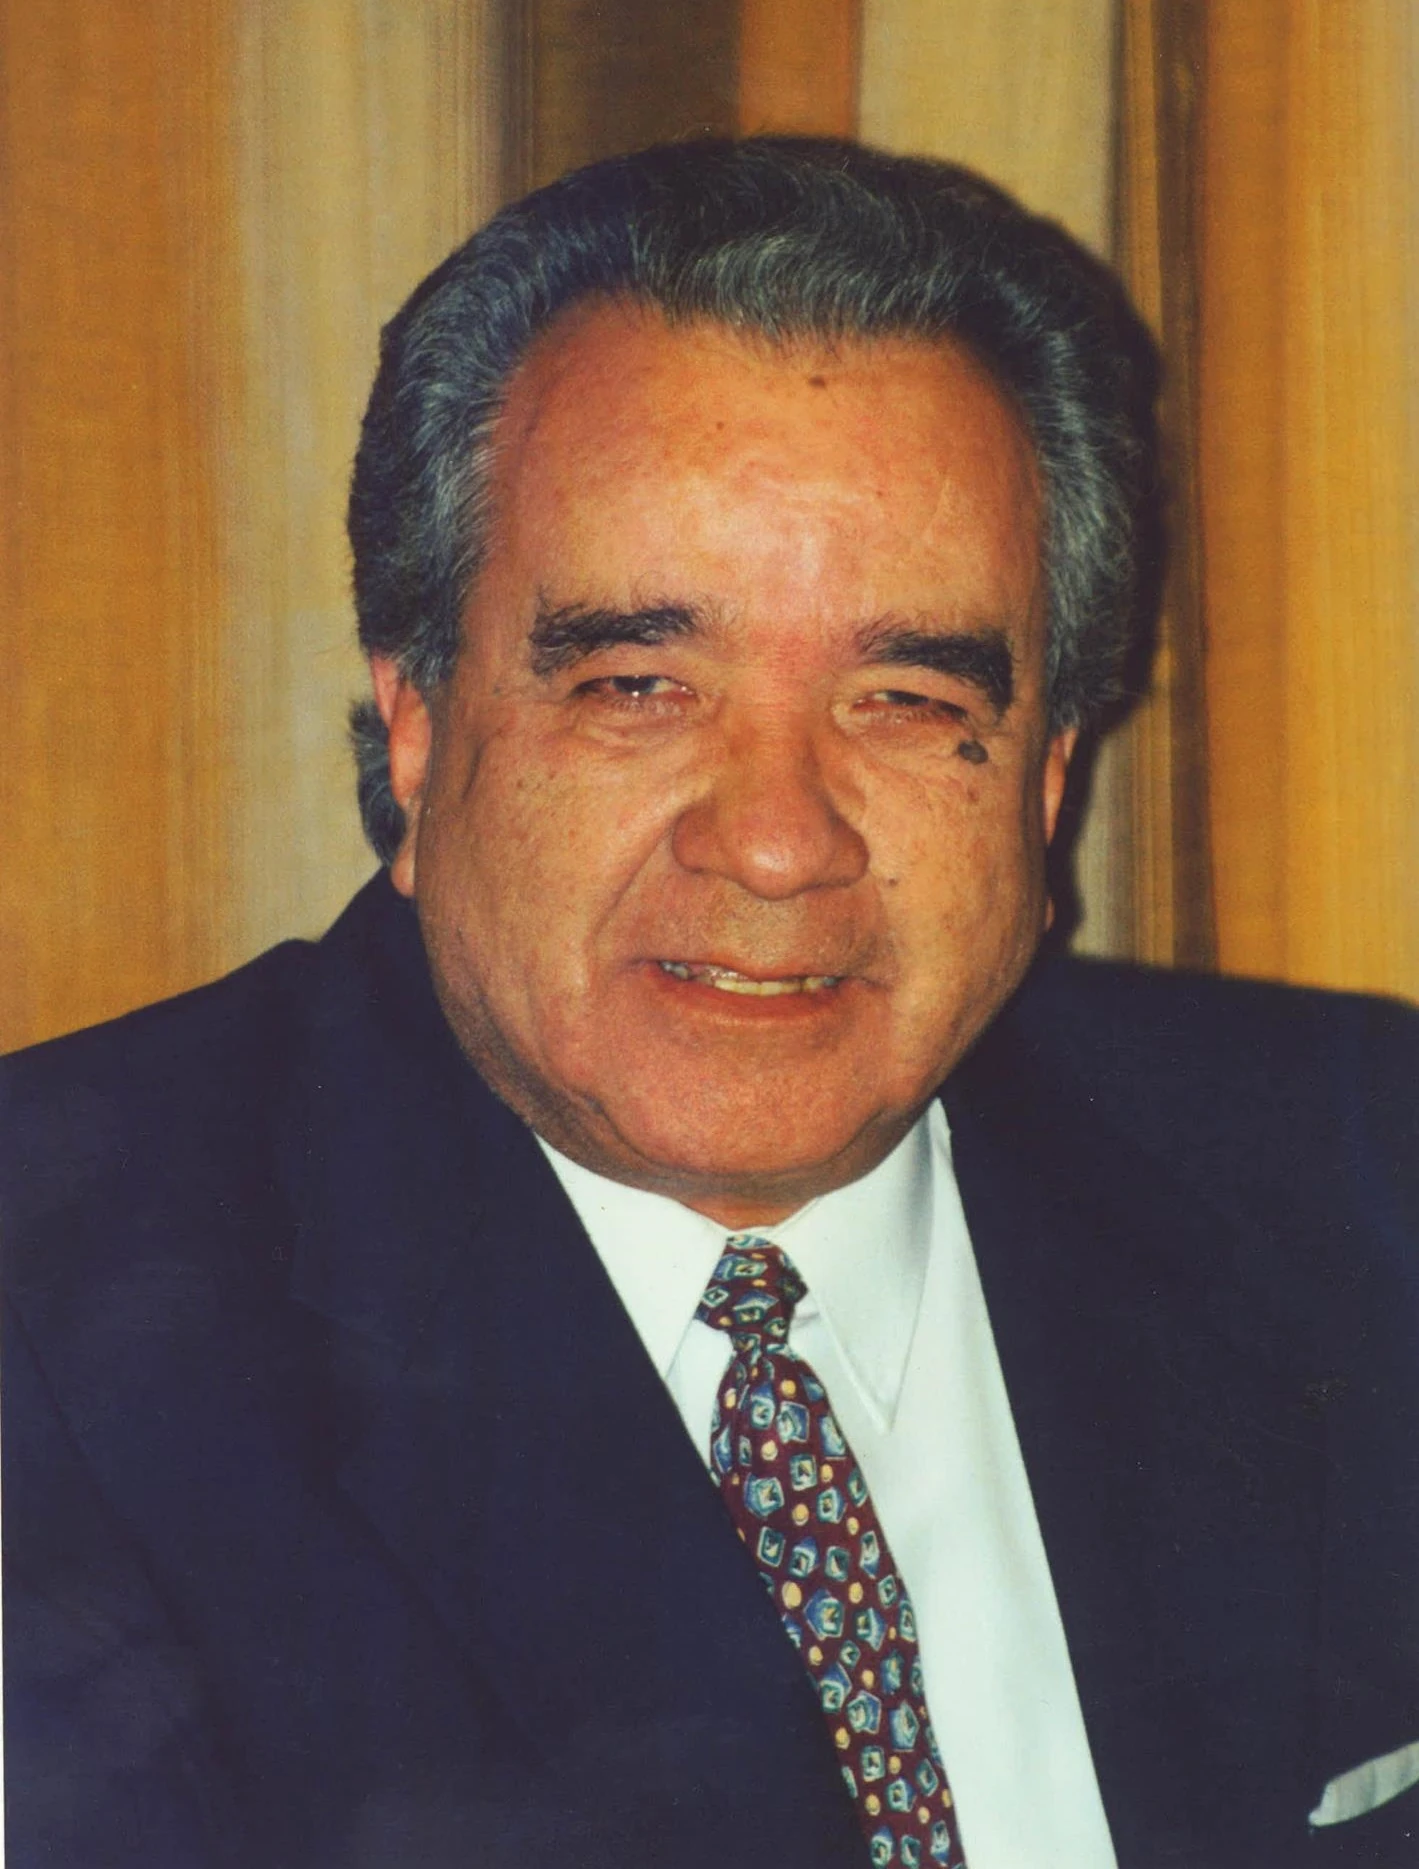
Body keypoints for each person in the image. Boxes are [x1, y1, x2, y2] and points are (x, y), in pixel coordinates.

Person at [2, 138, 1415, 1869]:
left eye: (908, 700)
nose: (775, 840)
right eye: (638, 685)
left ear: (1046, 779)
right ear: (421, 725)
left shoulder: (1370, 1188)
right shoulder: (56, 1324)